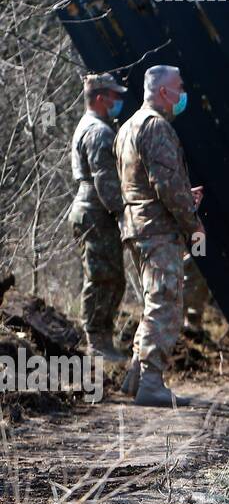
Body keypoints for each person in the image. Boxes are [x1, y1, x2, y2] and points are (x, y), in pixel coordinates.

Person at [115, 65, 204, 407]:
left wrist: (183, 193)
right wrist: (193, 221)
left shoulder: (127, 129)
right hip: (157, 230)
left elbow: (142, 183)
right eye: (179, 88)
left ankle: (135, 378)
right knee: (165, 300)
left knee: (154, 299)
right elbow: (165, 185)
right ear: (164, 92)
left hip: (136, 226)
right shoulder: (156, 127)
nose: (183, 94)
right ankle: (151, 383)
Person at [68, 72, 129, 362]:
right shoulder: (99, 132)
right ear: (101, 98)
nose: (119, 100)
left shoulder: (94, 126)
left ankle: (103, 339)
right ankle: (97, 343)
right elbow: (105, 180)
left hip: (93, 210)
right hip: (96, 212)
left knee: (112, 276)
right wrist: (121, 213)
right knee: (103, 276)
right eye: (115, 96)